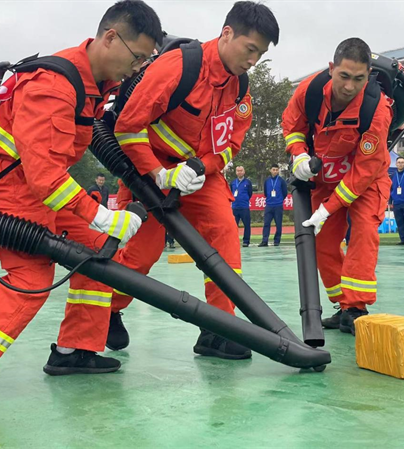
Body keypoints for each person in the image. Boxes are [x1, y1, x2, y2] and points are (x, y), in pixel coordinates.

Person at [0, 0, 161, 403]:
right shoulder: (54, 85)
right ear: (110, 37)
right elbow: (45, 178)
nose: (138, 67)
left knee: (96, 256)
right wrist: (102, 216)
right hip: (10, 194)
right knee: (31, 280)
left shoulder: (92, 86)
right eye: (137, 57)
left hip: (40, 192)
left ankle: (75, 351)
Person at [110, 1, 280, 359]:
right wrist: (160, 173)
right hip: (149, 170)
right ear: (227, 33)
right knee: (141, 252)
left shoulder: (239, 88)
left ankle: (218, 328)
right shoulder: (179, 68)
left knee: (224, 236)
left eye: (260, 54)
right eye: (250, 49)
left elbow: (231, 143)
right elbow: (127, 127)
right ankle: (106, 310)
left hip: (201, 176)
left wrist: (201, 166)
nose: (253, 60)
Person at [282, 37, 393, 335]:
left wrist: (328, 208)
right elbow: (292, 126)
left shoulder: (377, 111)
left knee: (364, 232)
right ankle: (343, 304)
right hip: (326, 178)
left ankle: (356, 308)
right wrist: (299, 155)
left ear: (368, 75)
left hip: (365, 181)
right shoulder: (309, 91)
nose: (349, 86)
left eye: (358, 79)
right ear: (332, 69)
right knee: (321, 242)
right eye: (344, 76)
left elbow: (363, 172)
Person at [259, 164, 287, 247]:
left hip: (278, 205)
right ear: (270, 170)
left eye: (276, 170)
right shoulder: (267, 181)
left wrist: (279, 200)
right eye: (273, 169)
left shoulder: (281, 181)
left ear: (278, 171)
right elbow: (265, 193)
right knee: (266, 223)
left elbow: (284, 193)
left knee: (278, 224)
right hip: (269, 205)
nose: (275, 171)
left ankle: (276, 241)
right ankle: (264, 241)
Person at [230, 165, 253, 247]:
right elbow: (231, 193)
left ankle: (246, 241)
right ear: (236, 172)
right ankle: (234, 241)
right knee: (233, 226)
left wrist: (245, 199)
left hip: (244, 207)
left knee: (247, 225)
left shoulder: (248, 182)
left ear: (244, 171)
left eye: (241, 170)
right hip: (235, 207)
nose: (239, 172)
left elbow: (250, 193)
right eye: (238, 171)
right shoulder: (233, 182)